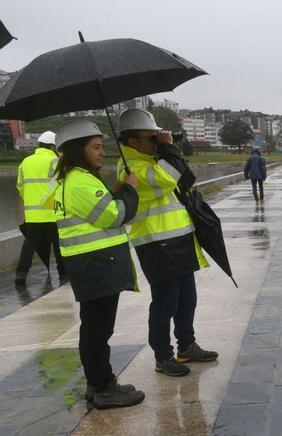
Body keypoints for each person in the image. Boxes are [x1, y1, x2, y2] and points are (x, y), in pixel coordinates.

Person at [116, 108, 217, 377]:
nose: (157, 142)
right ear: (132, 140)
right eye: (151, 138)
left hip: (178, 240)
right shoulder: (131, 167)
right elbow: (166, 179)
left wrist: (168, 150)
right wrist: (168, 150)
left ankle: (187, 345)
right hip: (157, 245)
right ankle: (163, 356)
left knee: (187, 300)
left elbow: (183, 177)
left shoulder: (152, 161)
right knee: (165, 304)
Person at [53, 119, 144, 409]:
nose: (101, 152)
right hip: (96, 265)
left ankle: (98, 383)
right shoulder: (79, 181)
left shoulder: (75, 180)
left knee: (94, 328)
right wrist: (129, 190)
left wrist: (114, 191)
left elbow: (101, 211)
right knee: (98, 330)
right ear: (78, 151)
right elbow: (114, 216)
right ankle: (104, 388)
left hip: (91, 264)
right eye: (94, 147)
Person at [15, 131, 65, 285]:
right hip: (53, 214)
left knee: (30, 244)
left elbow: (20, 187)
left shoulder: (25, 162)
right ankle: (64, 274)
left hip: (33, 215)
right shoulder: (55, 161)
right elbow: (63, 185)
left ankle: (21, 274)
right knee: (58, 246)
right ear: (52, 146)